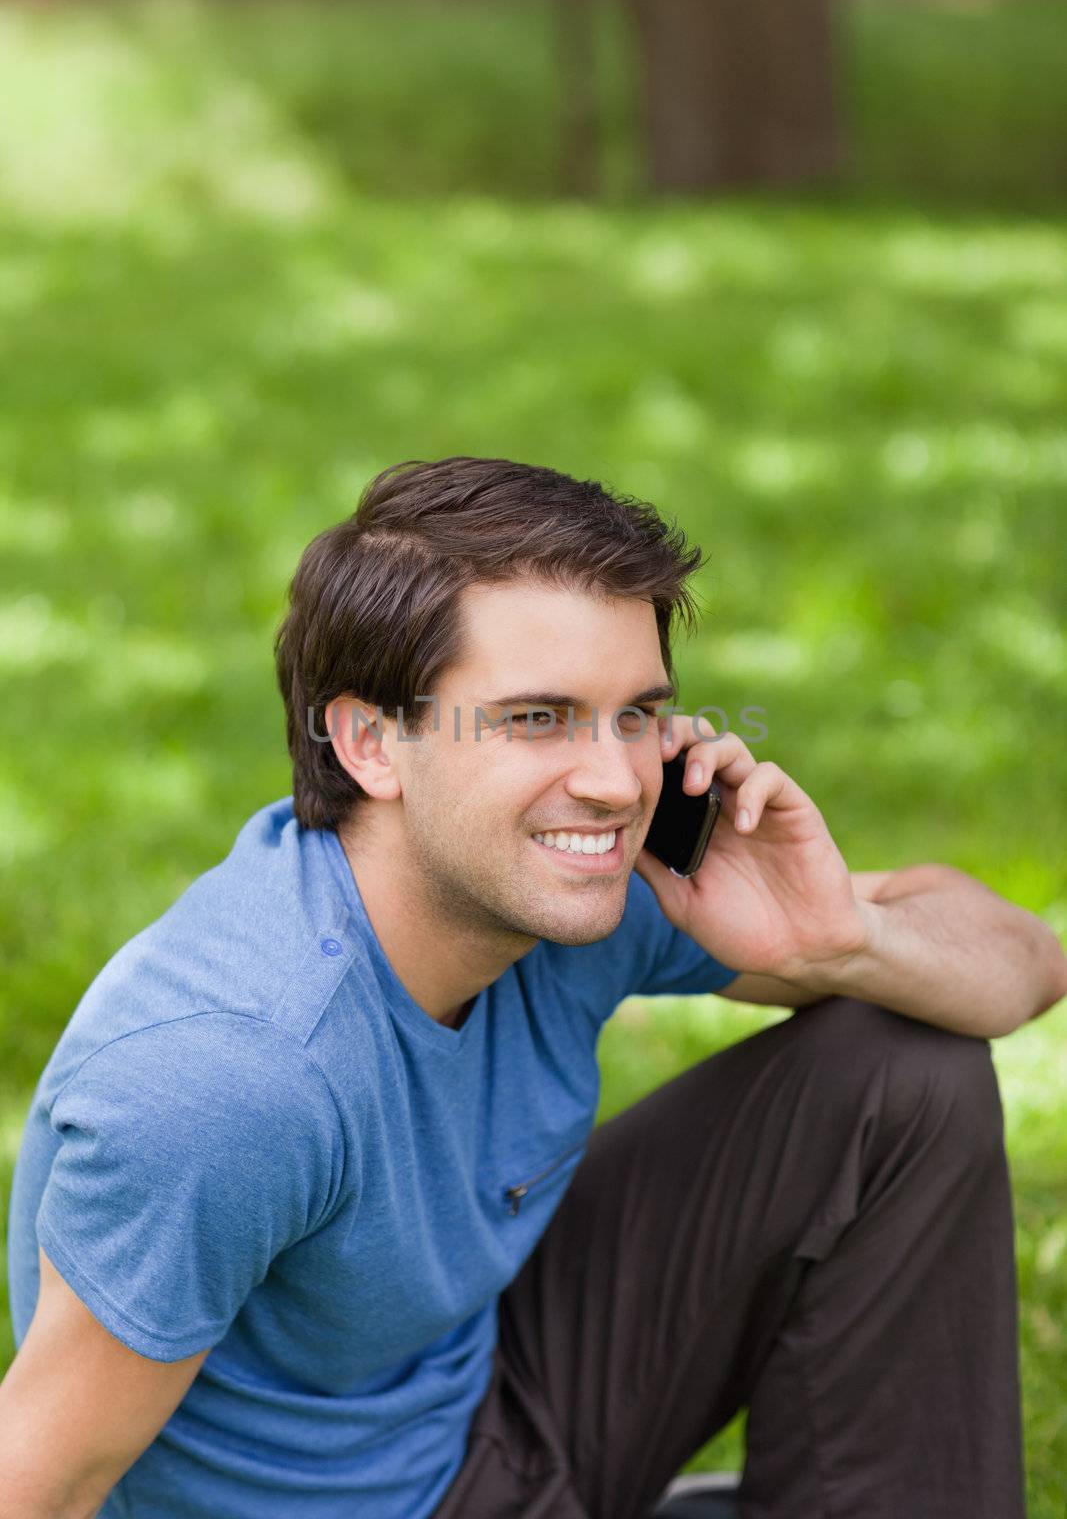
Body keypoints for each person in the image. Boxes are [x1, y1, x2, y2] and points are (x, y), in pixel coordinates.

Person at [3, 456, 1064, 1519]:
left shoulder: (566, 882)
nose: (612, 781)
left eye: (637, 712)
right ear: (370, 740)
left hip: (491, 1406)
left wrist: (840, 938)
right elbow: (41, 1479)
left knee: (901, 1068)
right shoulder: (231, 1079)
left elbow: (1023, 965)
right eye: (536, 718)